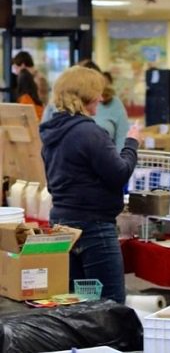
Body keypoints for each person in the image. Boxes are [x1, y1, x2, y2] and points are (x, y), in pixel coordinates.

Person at [40, 65, 141, 304]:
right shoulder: (89, 132)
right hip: (93, 226)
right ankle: (111, 343)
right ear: (86, 96)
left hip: (62, 225)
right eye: (97, 93)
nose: (100, 98)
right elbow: (119, 173)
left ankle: (82, 343)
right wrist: (132, 143)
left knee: (78, 302)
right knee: (109, 304)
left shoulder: (51, 132)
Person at [42, 60, 130, 151]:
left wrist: (121, 160)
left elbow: (122, 138)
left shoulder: (113, 103)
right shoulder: (56, 106)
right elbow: (44, 140)